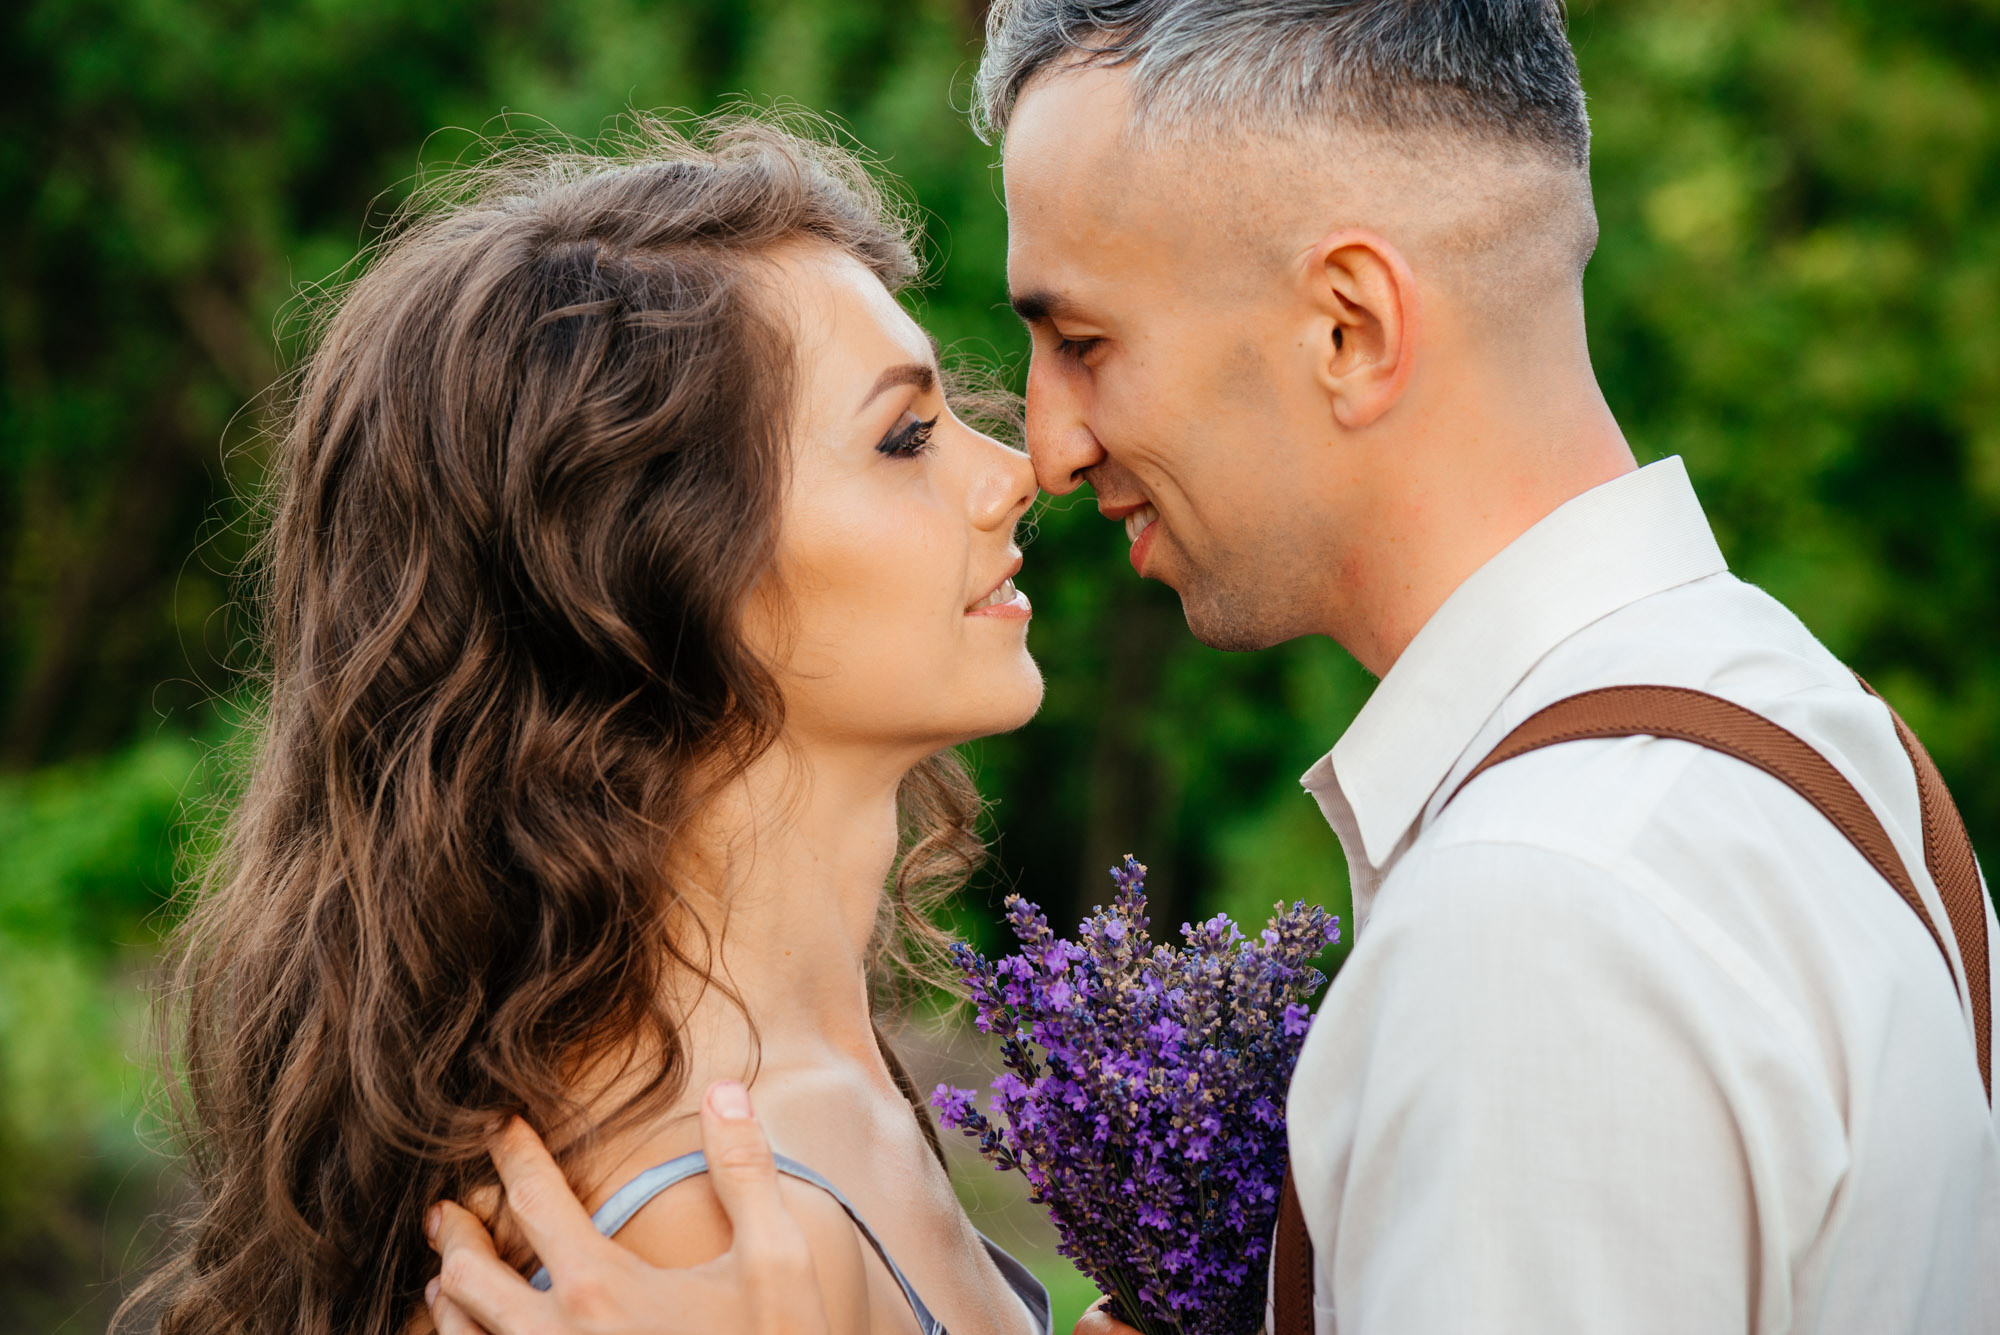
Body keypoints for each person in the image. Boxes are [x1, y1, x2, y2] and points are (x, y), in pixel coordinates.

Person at [435, 2, 2000, 1332]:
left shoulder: (1545, 920)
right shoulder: (1813, 735)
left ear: (1348, 329)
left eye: (1087, 342)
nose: (1042, 447)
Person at [123, 116, 1055, 1335]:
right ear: (646, 575)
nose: (1016, 472)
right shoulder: (673, 1228)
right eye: (904, 439)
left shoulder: (819, 1080)